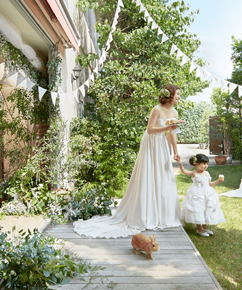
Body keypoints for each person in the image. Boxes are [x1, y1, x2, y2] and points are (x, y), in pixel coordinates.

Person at [73, 84, 183, 238]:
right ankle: (145, 215)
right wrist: (167, 128)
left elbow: (173, 133)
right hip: (150, 144)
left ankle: (162, 215)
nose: (179, 97)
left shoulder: (175, 112)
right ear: (170, 95)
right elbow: (150, 129)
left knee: (162, 177)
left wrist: (175, 152)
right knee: (148, 176)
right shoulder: (157, 109)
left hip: (161, 146)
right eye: (177, 94)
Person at [176, 154, 226, 236]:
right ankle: (199, 229)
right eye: (204, 164)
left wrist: (217, 181)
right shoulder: (194, 173)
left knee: (206, 209)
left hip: (207, 193)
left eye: (207, 164)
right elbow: (184, 171)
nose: (206, 166)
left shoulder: (206, 173)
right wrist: (180, 163)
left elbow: (210, 184)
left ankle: (205, 227)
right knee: (198, 210)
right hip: (197, 194)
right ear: (197, 164)